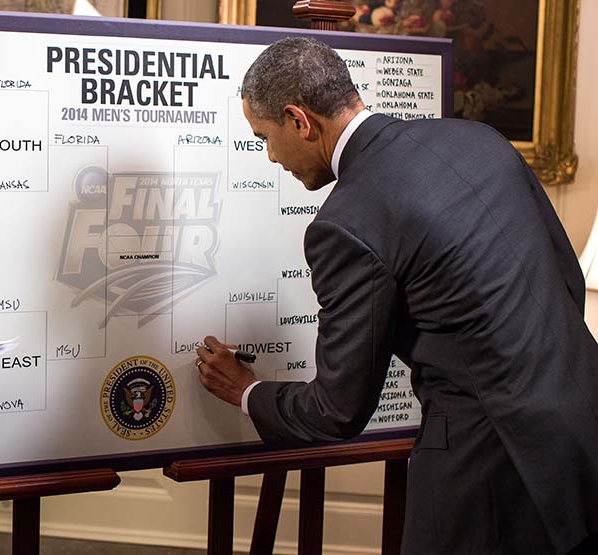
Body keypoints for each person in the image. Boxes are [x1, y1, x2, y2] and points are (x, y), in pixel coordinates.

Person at [196, 36, 598, 554]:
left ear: (300, 121)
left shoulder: (346, 222)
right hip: (584, 422)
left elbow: (338, 410)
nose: (271, 156)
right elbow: (564, 275)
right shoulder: (480, 140)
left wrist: (246, 390)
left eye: (265, 138)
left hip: (486, 473)